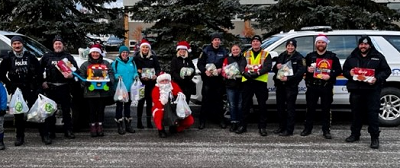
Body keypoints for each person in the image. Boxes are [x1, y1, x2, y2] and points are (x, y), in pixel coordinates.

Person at [343, 36, 391, 149]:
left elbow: (386, 71)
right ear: (359, 45)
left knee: (372, 115)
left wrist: (377, 78)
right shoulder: (352, 56)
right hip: (356, 90)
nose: (363, 46)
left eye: (365, 44)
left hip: (372, 91)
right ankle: (355, 134)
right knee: (356, 114)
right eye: (361, 44)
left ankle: (374, 138)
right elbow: (344, 70)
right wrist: (349, 73)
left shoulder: (378, 57)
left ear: (369, 45)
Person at [0, 36, 43, 145]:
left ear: (22, 44)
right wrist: (9, 84)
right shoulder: (8, 58)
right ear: (12, 45)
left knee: (37, 112)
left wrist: (38, 87)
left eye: (18, 43)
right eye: (14, 44)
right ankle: (19, 137)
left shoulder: (31, 57)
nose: (17, 46)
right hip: (17, 89)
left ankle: (44, 134)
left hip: (31, 88)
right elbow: (1, 74)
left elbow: (39, 72)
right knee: (18, 114)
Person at [301, 34, 342, 139]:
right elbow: (302, 67)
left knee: (326, 109)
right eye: (318, 42)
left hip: (326, 86)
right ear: (316, 44)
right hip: (312, 86)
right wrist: (307, 70)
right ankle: (307, 129)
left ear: (326, 44)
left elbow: (338, 70)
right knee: (310, 109)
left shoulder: (332, 56)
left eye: (322, 42)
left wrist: (330, 75)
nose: (320, 44)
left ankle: (326, 130)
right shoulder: (309, 56)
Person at [40, 36, 79, 140]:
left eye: (60, 44)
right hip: (50, 87)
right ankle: (50, 132)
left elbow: (76, 72)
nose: (58, 45)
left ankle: (68, 130)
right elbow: (39, 71)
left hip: (64, 87)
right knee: (50, 110)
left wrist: (71, 76)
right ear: (53, 45)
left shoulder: (68, 57)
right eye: (56, 44)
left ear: (63, 45)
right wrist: (43, 82)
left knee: (66, 111)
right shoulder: (47, 57)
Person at [235, 35, 272, 136]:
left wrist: (258, 73)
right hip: (247, 81)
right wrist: (243, 72)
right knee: (245, 105)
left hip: (260, 82)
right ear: (251, 43)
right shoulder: (246, 53)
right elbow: (241, 65)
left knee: (262, 106)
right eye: (254, 41)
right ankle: (243, 126)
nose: (255, 43)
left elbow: (268, 66)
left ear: (260, 43)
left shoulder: (266, 54)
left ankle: (262, 127)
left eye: (257, 41)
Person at [272, 39, 306, 136]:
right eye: (288, 46)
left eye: (292, 46)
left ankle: (289, 129)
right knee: (280, 108)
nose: (290, 47)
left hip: (291, 86)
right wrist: (276, 67)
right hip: (280, 86)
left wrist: (289, 79)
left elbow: (301, 72)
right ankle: (281, 127)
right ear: (286, 46)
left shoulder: (300, 58)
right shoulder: (282, 55)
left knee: (290, 108)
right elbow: (275, 70)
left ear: (295, 47)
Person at [79, 44, 115, 137]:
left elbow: (111, 73)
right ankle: (92, 126)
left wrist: (110, 81)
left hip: (102, 92)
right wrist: (84, 82)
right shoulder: (85, 65)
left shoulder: (105, 63)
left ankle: (99, 125)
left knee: (100, 110)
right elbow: (81, 75)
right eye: (93, 52)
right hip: (90, 92)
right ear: (91, 53)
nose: (95, 54)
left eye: (97, 52)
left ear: (100, 53)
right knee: (91, 110)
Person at [197, 33, 228, 129]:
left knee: (219, 101)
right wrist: (205, 71)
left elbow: (227, 64)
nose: (217, 41)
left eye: (218, 39)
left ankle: (220, 120)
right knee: (205, 101)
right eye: (215, 39)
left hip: (218, 80)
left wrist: (221, 69)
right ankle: (202, 122)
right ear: (212, 41)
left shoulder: (224, 51)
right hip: (207, 80)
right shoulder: (205, 51)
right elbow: (200, 64)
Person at [151, 73, 194, 138]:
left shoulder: (174, 85)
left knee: (189, 120)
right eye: (163, 81)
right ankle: (161, 130)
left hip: (175, 107)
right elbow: (156, 102)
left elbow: (180, 93)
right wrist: (163, 102)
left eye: (166, 80)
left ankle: (176, 127)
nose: (165, 82)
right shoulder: (156, 89)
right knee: (158, 113)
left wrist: (179, 96)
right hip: (161, 108)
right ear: (159, 82)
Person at [133, 39, 161, 129]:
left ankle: (149, 122)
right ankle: (139, 122)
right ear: (141, 48)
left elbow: (158, 68)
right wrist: (140, 75)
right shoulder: (136, 58)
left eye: (147, 47)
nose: (145, 49)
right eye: (143, 47)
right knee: (141, 102)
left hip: (151, 83)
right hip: (141, 83)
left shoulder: (153, 57)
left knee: (149, 102)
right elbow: (134, 69)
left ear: (149, 49)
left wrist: (156, 75)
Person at [111, 45, 138, 135]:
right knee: (119, 106)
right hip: (120, 89)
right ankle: (119, 125)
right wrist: (116, 76)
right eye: (123, 52)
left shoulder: (132, 62)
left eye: (126, 52)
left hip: (130, 88)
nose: (125, 54)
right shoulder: (116, 63)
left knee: (127, 106)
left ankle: (128, 125)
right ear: (120, 53)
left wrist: (135, 76)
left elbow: (135, 71)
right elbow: (112, 73)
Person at [221, 44, 246, 132]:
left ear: (240, 50)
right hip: (230, 85)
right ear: (231, 51)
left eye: (237, 49)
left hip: (241, 85)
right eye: (233, 49)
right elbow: (223, 71)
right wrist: (228, 75)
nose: (235, 51)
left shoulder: (244, 58)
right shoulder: (227, 59)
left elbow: (245, 69)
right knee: (232, 105)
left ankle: (240, 123)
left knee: (240, 105)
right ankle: (233, 122)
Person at [0, 82, 7, 150]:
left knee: (0, 127)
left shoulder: (0, 86)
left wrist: (3, 108)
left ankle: (1, 141)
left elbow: (3, 97)